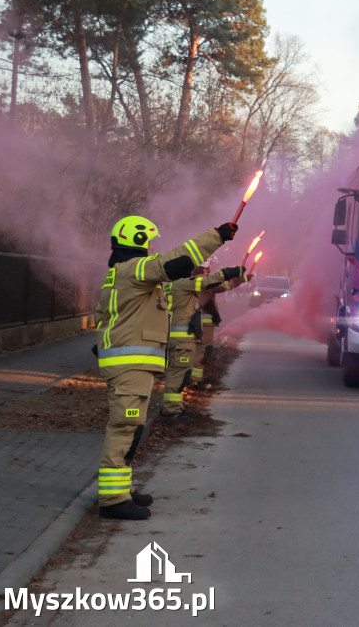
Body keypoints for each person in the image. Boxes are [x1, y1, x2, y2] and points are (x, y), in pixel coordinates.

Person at [93, 216, 237, 520]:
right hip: (129, 365)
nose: (151, 248)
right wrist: (218, 236)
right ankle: (112, 499)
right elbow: (174, 260)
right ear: (138, 240)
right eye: (148, 242)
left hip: (131, 364)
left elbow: (104, 316)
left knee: (132, 428)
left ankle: (122, 488)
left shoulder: (119, 274)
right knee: (124, 427)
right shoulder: (133, 269)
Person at [160, 263, 245, 418]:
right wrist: (228, 273)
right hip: (182, 338)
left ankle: (174, 407)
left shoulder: (172, 286)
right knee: (178, 374)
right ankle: (171, 409)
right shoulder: (183, 285)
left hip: (178, 337)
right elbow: (208, 283)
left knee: (179, 373)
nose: (201, 275)